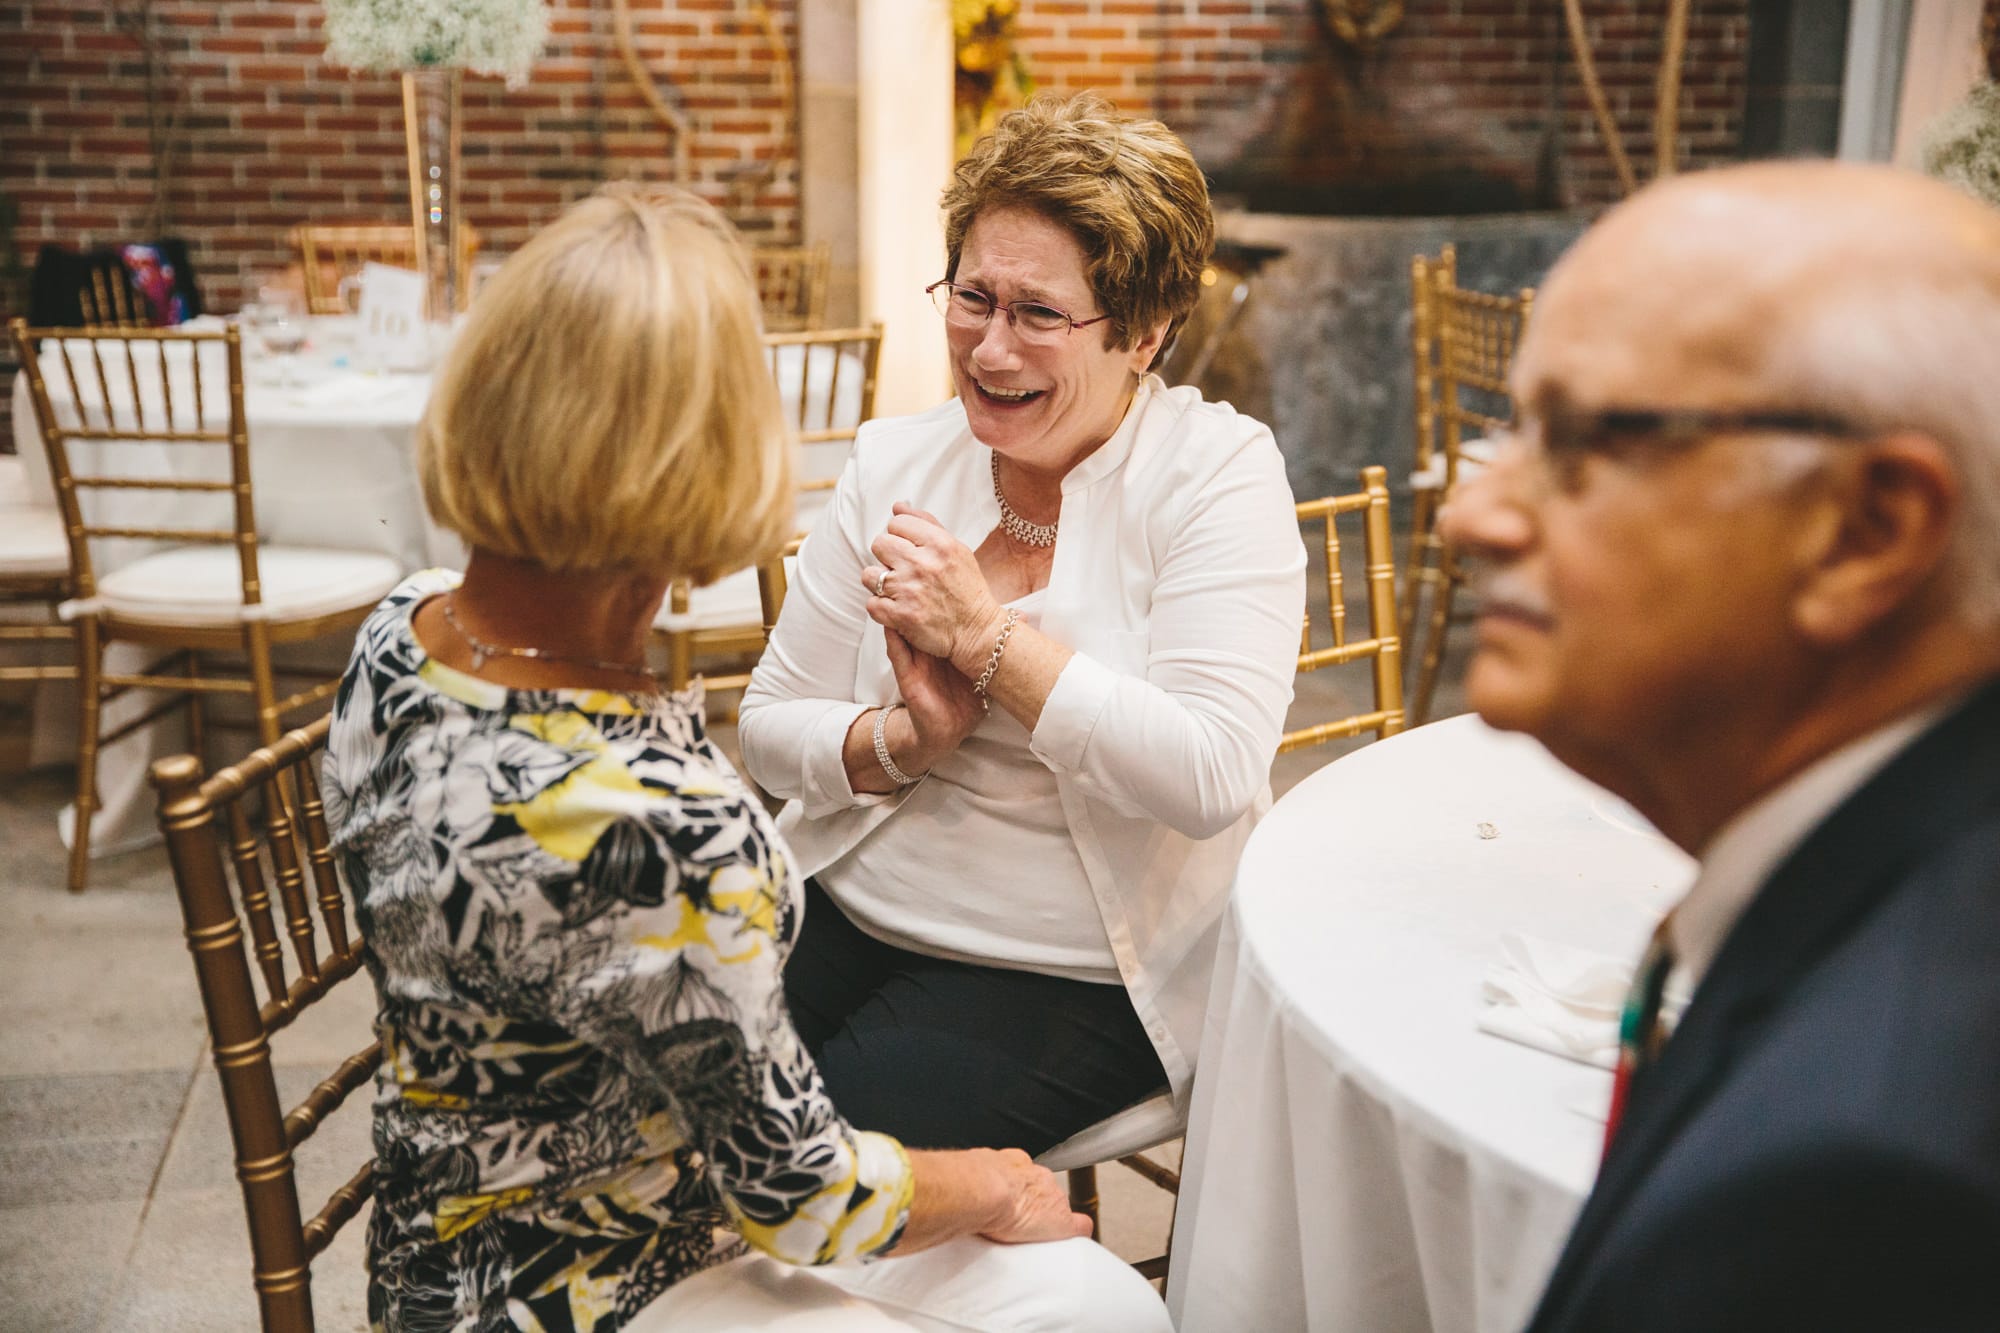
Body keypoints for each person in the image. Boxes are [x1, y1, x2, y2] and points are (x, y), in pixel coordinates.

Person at [322, 184, 1172, 1332]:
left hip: (436, 1240)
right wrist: (997, 1180)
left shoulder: (399, 635)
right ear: (708, 456)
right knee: (1094, 1302)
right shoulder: (664, 824)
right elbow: (799, 1191)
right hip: (610, 1277)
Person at [1439, 160, 2000, 1331]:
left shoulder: (1848, 1188)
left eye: (1582, 440)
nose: (1473, 513)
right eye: (1511, 429)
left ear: (1865, 530)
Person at [737, 93, 1305, 1152]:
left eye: (1038, 313)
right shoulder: (898, 462)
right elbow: (769, 723)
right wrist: (899, 742)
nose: (988, 349)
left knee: (801, 1167)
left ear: (1146, 333)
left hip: (1077, 965)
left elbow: (1208, 773)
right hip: (841, 896)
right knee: (644, 1089)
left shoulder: (1213, 476)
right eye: (971, 297)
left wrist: (988, 643)